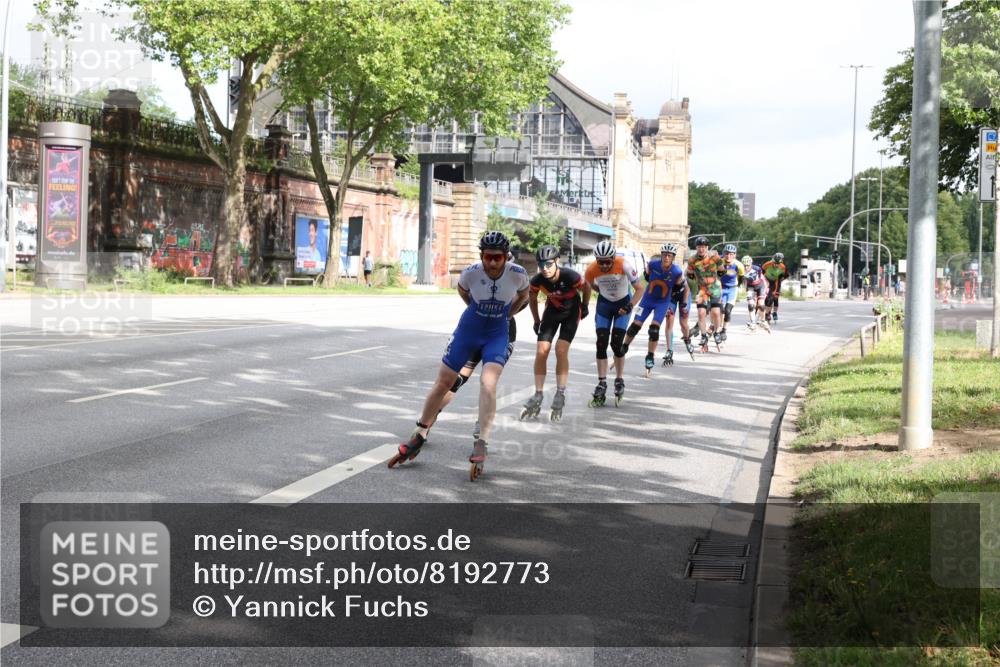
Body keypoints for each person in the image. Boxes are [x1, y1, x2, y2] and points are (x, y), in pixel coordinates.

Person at [390, 232, 529, 479]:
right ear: (481, 256)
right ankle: (420, 431)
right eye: (488, 258)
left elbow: (525, 295)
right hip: (469, 330)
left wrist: (508, 314)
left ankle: (482, 441)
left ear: (506, 257)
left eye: (498, 258)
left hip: (497, 333)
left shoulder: (517, 273)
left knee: (488, 384)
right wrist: (477, 310)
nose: (493, 263)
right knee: (444, 382)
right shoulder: (471, 273)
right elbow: (463, 291)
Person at [522, 245, 591, 421]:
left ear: (557, 262)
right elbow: (532, 299)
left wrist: (584, 306)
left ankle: (560, 393)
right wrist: (536, 321)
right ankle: (538, 394)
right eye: (541, 264)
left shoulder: (570, 276)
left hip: (571, 312)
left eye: (549, 264)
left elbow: (587, 287)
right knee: (541, 351)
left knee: (561, 350)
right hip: (552, 313)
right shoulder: (537, 280)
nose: (544, 268)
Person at [584, 240, 642, 406]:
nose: (603, 266)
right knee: (601, 343)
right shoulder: (591, 269)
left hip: (623, 304)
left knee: (616, 344)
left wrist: (630, 305)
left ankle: (619, 379)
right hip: (604, 304)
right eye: (599, 262)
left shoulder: (624, 264)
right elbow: (588, 285)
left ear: (613, 258)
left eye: (606, 262)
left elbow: (639, 289)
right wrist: (585, 305)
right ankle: (602, 383)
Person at [622, 242, 686, 375]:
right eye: (664, 255)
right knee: (635, 325)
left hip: (662, 303)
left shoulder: (677, 272)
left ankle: (650, 355)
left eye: (669, 255)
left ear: (673, 257)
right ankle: (624, 346)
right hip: (647, 300)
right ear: (661, 255)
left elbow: (680, 287)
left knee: (654, 330)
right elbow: (646, 276)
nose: (666, 257)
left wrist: (678, 303)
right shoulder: (652, 264)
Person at [686, 236, 726, 351]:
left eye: (703, 247)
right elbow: (690, 274)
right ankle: (703, 336)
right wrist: (696, 278)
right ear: (696, 248)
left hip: (715, 288)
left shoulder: (715, 258)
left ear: (707, 247)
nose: (701, 249)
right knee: (701, 313)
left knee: (716, 312)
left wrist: (714, 277)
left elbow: (722, 271)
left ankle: (717, 332)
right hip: (702, 289)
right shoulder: (692, 260)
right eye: (699, 247)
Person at [718, 244, 745, 341]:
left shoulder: (739, 265)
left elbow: (742, 277)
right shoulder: (719, 262)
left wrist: (738, 286)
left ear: (735, 255)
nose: (729, 256)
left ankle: (724, 330)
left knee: (727, 311)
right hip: (721, 288)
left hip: (732, 289)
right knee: (720, 310)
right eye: (726, 254)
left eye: (731, 254)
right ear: (723, 254)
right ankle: (719, 327)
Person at [742, 255, 770, 332]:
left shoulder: (756, 269)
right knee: (751, 305)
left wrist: (743, 276)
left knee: (761, 305)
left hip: (761, 285)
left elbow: (752, 278)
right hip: (750, 286)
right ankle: (753, 322)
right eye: (744, 265)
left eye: (747, 265)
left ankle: (763, 321)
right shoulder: (741, 269)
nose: (746, 267)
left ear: (751, 264)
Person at [762, 252, 788, 324]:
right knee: (767, 298)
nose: (776, 265)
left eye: (778, 264)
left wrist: (780, 280)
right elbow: (761, 272)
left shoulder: (782, 267)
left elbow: (785, 275)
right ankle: (767, 313)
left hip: (776, 282)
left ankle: (774, 312)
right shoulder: (767, 264)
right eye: (774, 263)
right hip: (767, 281)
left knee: (775, 298)